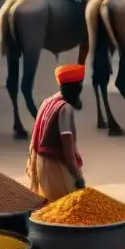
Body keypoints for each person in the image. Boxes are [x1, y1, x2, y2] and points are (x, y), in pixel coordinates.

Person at [26, 64, 86, 202]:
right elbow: (68, 150)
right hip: (54, 167)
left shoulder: (48, 101)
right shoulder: (65, 108)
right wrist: (78, 177)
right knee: (71, 204)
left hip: (40, 166)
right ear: (75, 88)